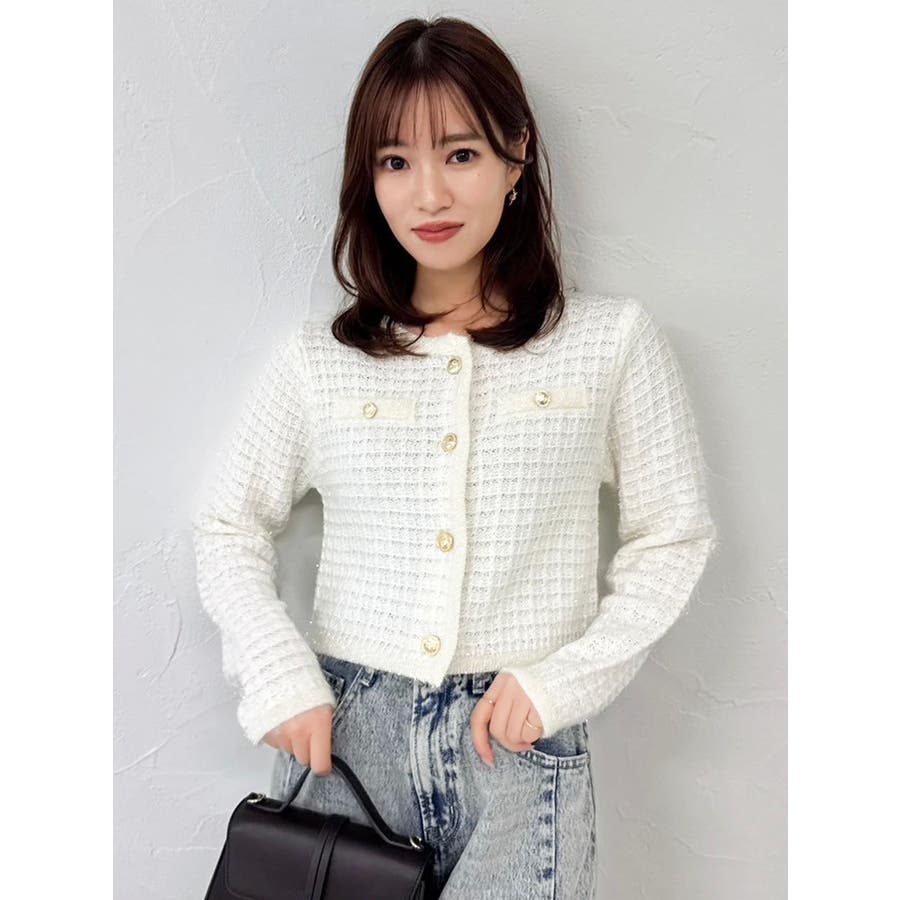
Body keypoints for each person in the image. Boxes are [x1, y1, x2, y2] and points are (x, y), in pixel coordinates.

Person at [191, 16, 719, 899]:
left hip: (518, 749)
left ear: (516, 157)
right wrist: (277, 671)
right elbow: (226, 523)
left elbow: (674, 536)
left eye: (461, 154)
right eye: (395, 161)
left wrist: (564, 682)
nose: (428, 194)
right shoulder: (318, 361)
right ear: (369, 179)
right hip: (344, 745)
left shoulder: (610, 344)